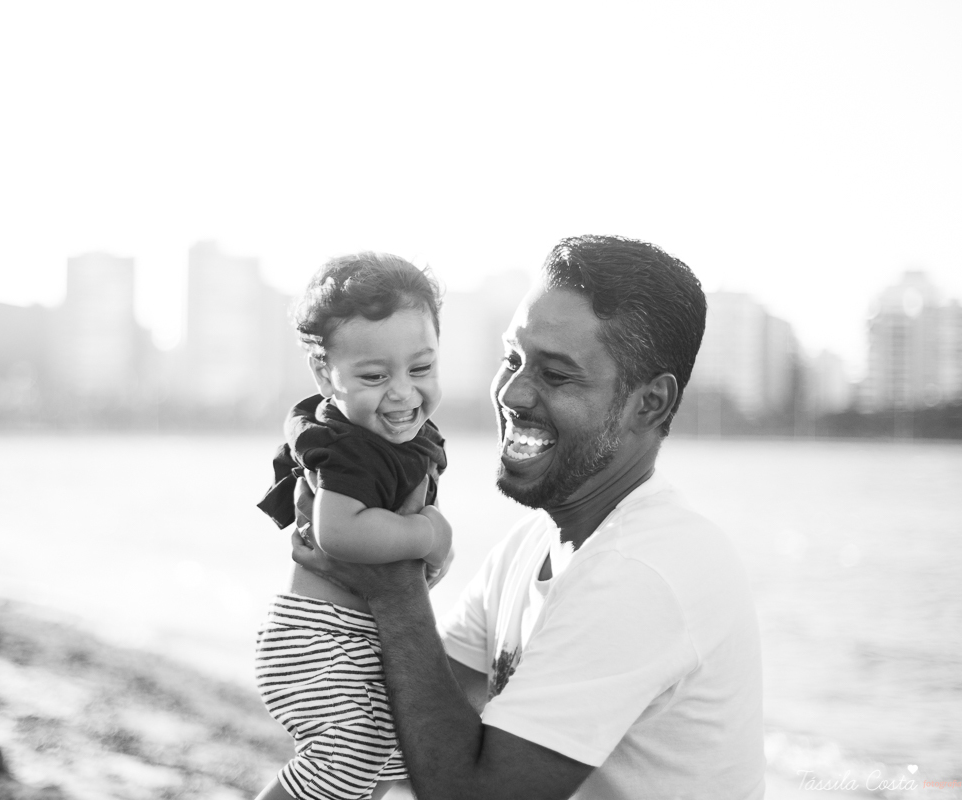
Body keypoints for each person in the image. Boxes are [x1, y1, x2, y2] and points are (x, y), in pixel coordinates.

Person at [292, 235, 766, 800]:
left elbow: (472, 796)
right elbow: (420, 731)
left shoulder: (641, 570)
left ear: (650, 404)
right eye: (512, 359)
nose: (513, 393)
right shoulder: (533, 543)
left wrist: (394, 589)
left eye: (557, 375)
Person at [254, 252, 454, 800]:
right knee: (340, 766)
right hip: (320, 638)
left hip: (354, 639)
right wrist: (430, 535)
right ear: (325, 374)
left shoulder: (392, 438)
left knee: (388, 763)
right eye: (373, 376)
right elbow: (339, 534)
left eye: (421, 368)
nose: (402, 392)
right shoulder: (343, 447)